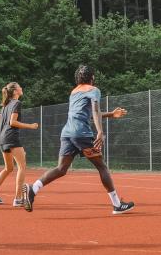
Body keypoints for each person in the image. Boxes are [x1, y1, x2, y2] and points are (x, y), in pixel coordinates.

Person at [22, 65, 134, 215]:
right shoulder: (94, 90)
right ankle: (117, 205)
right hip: (82, 134)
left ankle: (33, 188)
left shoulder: (74, 92)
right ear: (92, 77)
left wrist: (110, 115)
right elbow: (94, 111)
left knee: (61, 169)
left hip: (67, 134)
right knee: (102, 167)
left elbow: (86, 113)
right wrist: (100, 131)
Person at [0, 83, 38, 206]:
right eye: (20, 87)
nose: (22, 88)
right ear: (15, 91)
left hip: (2, 139)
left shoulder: (5, 106)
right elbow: (13, 122)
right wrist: (30, 126)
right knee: (22, 166)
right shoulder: (16, 103)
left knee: (8, 168)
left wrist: (4, 132)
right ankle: (18, 199)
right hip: (11, 138)